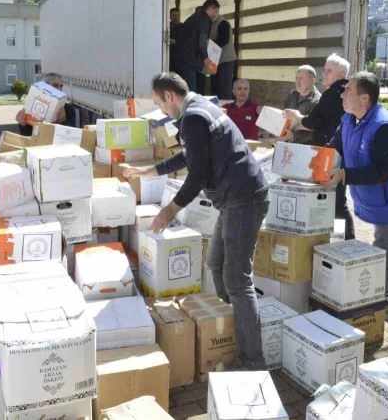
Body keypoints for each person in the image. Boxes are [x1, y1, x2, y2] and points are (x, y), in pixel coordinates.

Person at [124, 72, 269, 370]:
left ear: (169, 96)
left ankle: (253, 361)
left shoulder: (192, 117)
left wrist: (169, 210)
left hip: (243, 199)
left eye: (158, 103)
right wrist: (149, 171)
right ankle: (231, 328)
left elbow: (198, 174)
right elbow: (190, 157)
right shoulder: (197, 108)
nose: (161, 111)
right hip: (234, 199)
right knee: (216, 263)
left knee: (238, 280)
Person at [327, 71, 388, 304]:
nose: (342, 95)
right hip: (376, 198)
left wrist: (345, 175)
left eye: (348, 90)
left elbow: (382, 172)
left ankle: (373, 308)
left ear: (364, 98)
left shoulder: (385, 127)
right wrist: (315, 160)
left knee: (381, 253)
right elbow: (335, 146)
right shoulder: (348, 118)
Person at [283, 53, 355, 240]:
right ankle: (340, 239)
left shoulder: (332, 94)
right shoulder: (341, 92)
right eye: (324, 69)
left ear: (341, 74)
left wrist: (297, 118)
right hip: (337, 151)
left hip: (333, 154)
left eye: (329, 70)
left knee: (337, 202)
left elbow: (314, 121)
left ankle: (346, 240)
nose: (325, 73)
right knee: (336, 200)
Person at [171, 0, 218, 93]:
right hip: (189, 59)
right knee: (191, 90)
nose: (216, 15)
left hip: (182, 58)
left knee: (185, 89)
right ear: (211, 8)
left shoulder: (195, 17)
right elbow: (202, 42)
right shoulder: (204, 20)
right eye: (216, 11)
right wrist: (205, 57)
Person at [15, 72, 67, 136]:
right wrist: (22, 123)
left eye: (61, 86)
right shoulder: (32, 106)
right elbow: (26, 135)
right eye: (55, 85)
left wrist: (62, 122)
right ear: (45, 87)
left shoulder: (69, 109)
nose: (59, 89)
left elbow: (71, 136)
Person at [283, 65, 321, 143]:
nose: (297, 82)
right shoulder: (292, 95)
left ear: (312, 80)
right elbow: (284, 116)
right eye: (296, 78)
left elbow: (317, 130)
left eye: (301, 78)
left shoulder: (318, 101)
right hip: (286, 143)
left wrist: (294, 136)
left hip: (305, 148)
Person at [208, 4, 236, 100]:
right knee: (215, 88)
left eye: (209, 10)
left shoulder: (223, 23)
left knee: (224, 88)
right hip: (214, 61)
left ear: (216, 9)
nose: (207, 13)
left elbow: (223, 40)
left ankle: (226, 109)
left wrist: (207, 43)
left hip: (225, 61)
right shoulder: (211, 23)